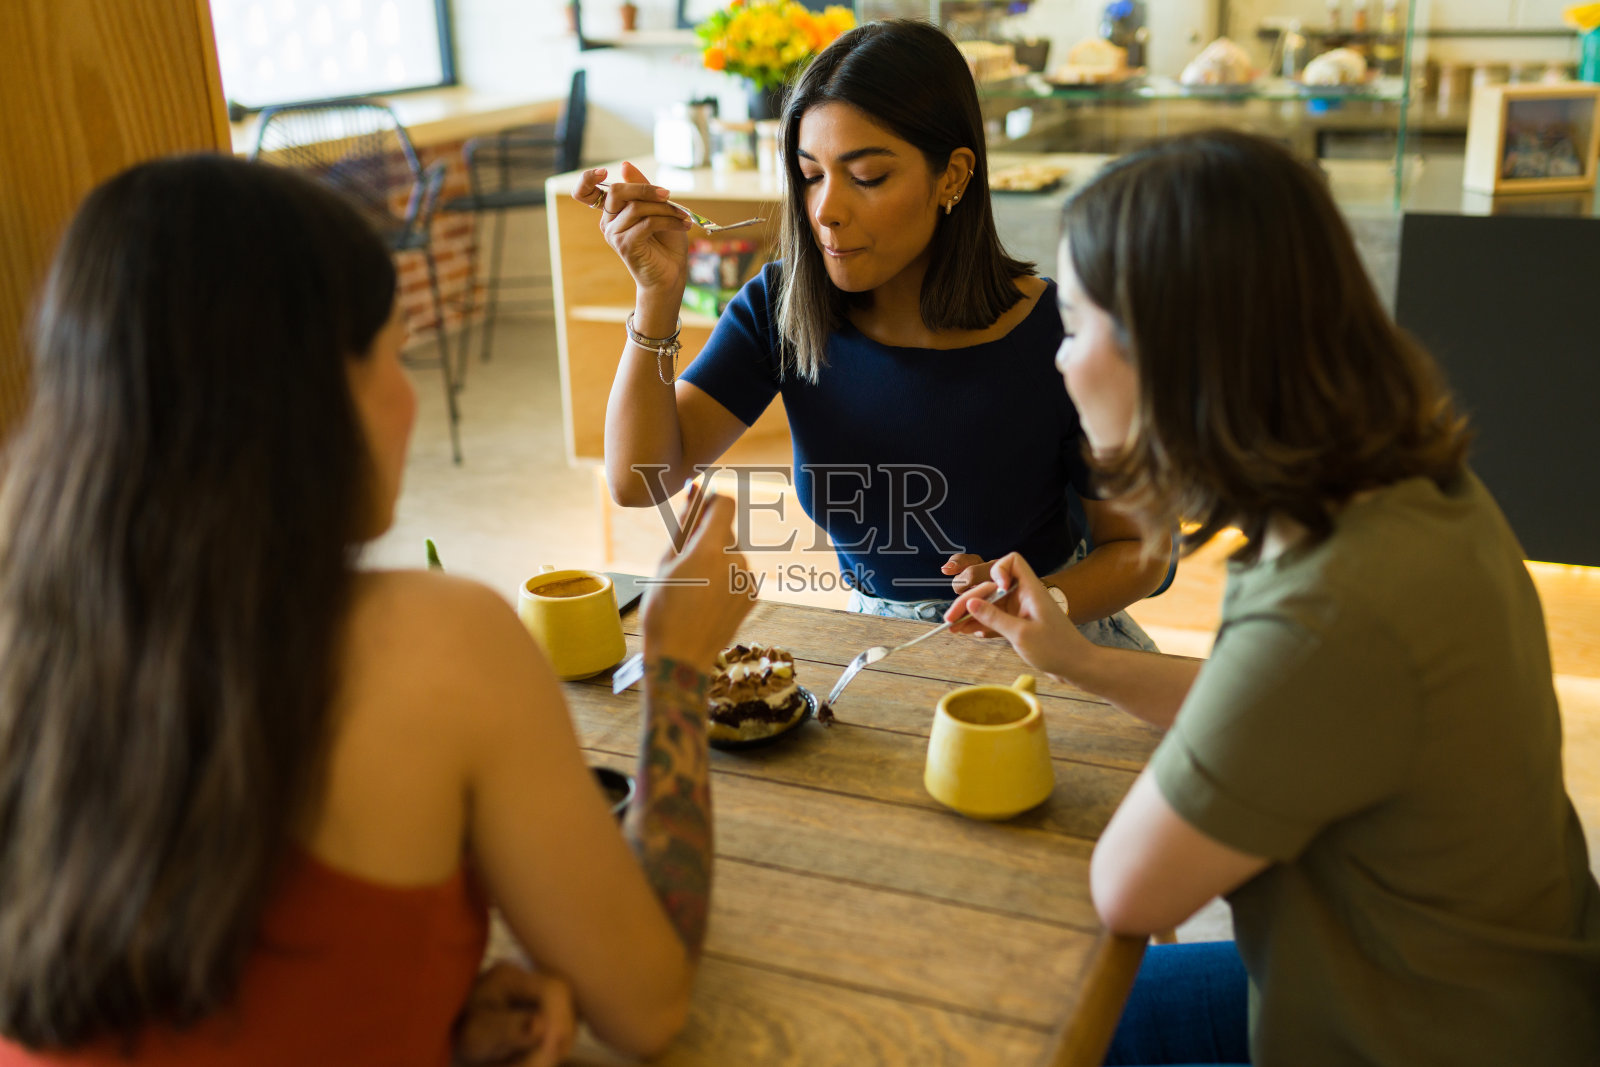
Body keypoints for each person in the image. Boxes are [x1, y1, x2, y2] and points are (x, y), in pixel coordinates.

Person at [0, 155, 753, 1066]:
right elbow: (650, 1002)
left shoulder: (31, 639)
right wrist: (676, 662)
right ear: (301, 402)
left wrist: (419, 1009)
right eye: (394, 356)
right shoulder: (438, 645)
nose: (409, 402)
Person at [947, 129, 1600, 1066]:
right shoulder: (1399, 494)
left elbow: (1130, 889)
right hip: (1493, 987)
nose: (1060, 358)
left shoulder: (1335, 609)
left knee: (1011, 1020)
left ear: (1176, 355)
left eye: (1079, 323)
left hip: (1435, 1034)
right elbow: (1280, 708)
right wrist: (1083, 660)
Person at [571, 18, 1166, 649]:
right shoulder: (782, 307)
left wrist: (1040, 598)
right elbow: (640, 480)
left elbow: (1141, 550)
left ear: (954, 177)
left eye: (867, 177)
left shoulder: (1061, 332)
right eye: (810, 174)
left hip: (1052, 647)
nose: (826, 209)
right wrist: (657, 295)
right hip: (878, 655)